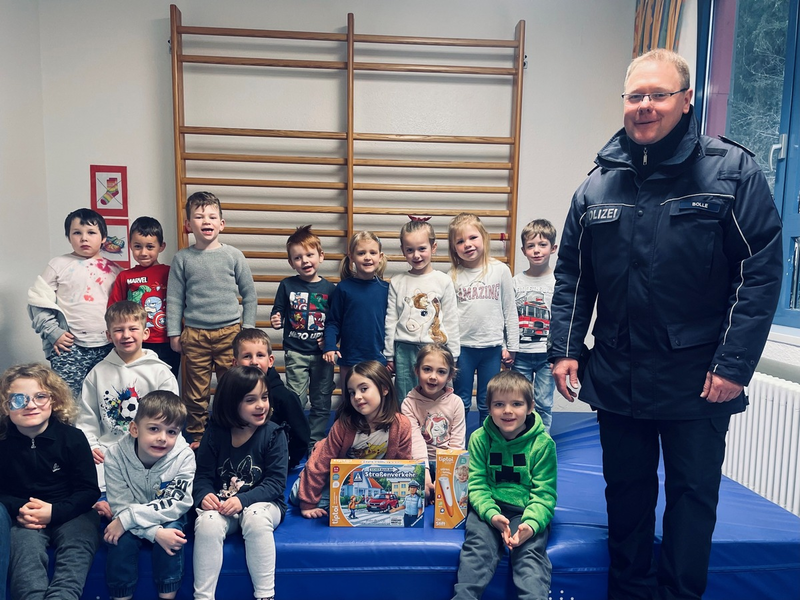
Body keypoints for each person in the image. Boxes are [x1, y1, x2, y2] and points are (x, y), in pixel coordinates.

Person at [548, 49, 783, 600]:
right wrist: (566, 349)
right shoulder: (596, 187)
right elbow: (573, 277)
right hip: (618, 373)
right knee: (625, 497)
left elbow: (761, 272)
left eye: (658, 94)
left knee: (691, 499)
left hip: (699, 377)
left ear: (686, 100)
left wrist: (734, 365)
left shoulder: (732, 172)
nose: (645, 106)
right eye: (635, 96)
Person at [451, 370, 556, 600]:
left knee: (529, 556)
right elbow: (476, 484)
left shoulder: (543, 444)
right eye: (499, 404)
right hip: (488, 508)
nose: (507, 411)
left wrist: (531, 523)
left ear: (530, 407)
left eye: (516, 404)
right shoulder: (479, 438)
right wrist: (491, 514)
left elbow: (545, 494)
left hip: (525, 510)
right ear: (488, 407)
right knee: (477, 549)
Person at [0, 363, 101, 600]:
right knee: (25, 554)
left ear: (54, 400)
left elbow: (88, 491)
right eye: (18, 399)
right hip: (25, 517)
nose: (31, 405)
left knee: (76, 550)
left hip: (73, 512)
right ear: (6, 406)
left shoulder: (73, 438)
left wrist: (54, 512)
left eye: (40, 397)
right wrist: (20, 508)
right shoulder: (3, 442)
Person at [166, 191, 257, 447]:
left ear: (221, 224)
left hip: (231, 333)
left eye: (212, 216)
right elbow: (174, 298)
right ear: (188, 224)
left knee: (234, 389)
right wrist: (174, 332)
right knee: (195, 394)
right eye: (198, 216)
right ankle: (197, 438)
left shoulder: (233, 255)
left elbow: (250, 294)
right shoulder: (182, 258)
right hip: (194, 335)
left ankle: (234, 433)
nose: (206, 220)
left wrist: (246, 331)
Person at [192, 366, 288, 600]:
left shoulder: (274, 434)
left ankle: (265, 595)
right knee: (207, 523)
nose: (260, 405)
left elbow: (276, 483)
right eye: (250, 400)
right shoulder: (215, 432)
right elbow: (202, 475)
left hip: (264, 505)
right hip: (225, 507)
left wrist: (242, 500)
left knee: (255, 518)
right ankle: (203, 596)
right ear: (231, 403)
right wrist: (204, 494)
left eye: (264, 398)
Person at [77, 301, 179, 515]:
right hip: (109, 451)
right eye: (118, 330)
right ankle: (106, 503)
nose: (126, 335)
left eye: (133, 328)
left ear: (146, 332)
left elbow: (172, 419)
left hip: (150, 450)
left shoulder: (161, 373)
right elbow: (87, 416)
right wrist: (90, 445)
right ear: (108, 335)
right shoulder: (98, 372)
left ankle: (139, 506)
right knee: (84, 471)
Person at [103, 390, 196, 600]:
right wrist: (154, 533)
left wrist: (130, 519)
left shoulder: (184, 456)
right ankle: (120, 596)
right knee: (119, 540)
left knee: (172, 537)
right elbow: (120, 504)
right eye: (154, 429)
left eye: (172, 432)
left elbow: (177, 502)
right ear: (135, 428)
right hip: (129, 513)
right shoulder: (115, 455)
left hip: (168, 515)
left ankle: (167, 596)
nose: (162, 438)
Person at [291, 361, 414, 518]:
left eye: (363, 389)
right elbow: (321, 465)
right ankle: (303, 480)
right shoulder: (343, 425)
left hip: (369, 479)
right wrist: (307, 504)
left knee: (340, 503)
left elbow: (404, 463)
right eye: (351, 392)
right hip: (338, 475)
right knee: (298, 498)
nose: (357, 397)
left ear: (384, 389)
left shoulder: (401, 424)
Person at [27, 208, 121, 398]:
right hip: (69, 347)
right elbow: (37, 302)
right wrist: (54, 332)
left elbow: (124, 310)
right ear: (69, 237)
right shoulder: (58, 264)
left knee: (107, 397)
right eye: (77, 233)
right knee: (66, 400)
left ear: (104, 238)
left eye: (91, 233)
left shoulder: (116, 270)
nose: (84, 238)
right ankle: (69, 429)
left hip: (107, 346)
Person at [448, 213, 519, 423]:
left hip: (492, 348)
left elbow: (509, 310)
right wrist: (450, 351)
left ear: (484, 238)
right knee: (460, 400)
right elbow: (449, 319)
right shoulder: (452, 276)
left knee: (489, 400)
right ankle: (457, 445)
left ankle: (488, 445)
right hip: (463, 349)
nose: (467, 244)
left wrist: (511, 346)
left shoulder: (500, 270)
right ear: (454, 248)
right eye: (460, 241)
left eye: (472, 238)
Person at [270, 225, 336, 450]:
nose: (305, 261)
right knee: (296, 399)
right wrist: (275, 319)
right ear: (291, 262)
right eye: (298, 257)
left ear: (321, 256)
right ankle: (296, 438)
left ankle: (315, 441)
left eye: (309, 255)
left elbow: (335, 322)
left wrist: (331, 343)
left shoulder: (330, 288)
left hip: (322, 355)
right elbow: (277, 310)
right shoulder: (287, 285)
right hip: (295, 352)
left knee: (321, 399)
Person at [384, 218, 460, 400]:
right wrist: (389, 354)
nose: (416, 255)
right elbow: (391, 319)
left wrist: (454, 354)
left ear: (433, 248)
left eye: (422, 249)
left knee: (436, 396)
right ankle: (407, 429)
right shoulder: (397, 281)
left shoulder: (443, 281)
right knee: (405, 396)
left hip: (435, 348)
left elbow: (451, 319)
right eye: (410, 250)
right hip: (404, 348)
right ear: (403, 250)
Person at [107, 216, 180, 377]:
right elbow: (114, 310)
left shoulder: (171, 272)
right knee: (135, 382)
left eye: (150, 247)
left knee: (164, 383)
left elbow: (182, 302)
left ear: (161, 247)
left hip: (166, 342)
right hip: (135, 341)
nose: (143, 252)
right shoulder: (125, 276)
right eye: (138, 246)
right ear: (130, 247)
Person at [232, 327, 311, 469]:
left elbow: (301, 436)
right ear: (235, 362)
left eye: (260, 355)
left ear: (270, 360)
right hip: (239, 463)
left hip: (273, 464)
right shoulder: (230, 395)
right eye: (247, 356)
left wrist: (287, 462)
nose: (254, 362)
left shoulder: (285, 397)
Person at [322, 232, 390, 385]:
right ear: (351, 257)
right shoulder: (343, 288)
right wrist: (330, 345)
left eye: (372, 252)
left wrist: (391, 357)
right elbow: (333, 322)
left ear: (380, 256)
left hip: (378, 357)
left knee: (377, 402)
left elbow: (392, 325)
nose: (367, 257)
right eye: (361, 253)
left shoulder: (387, 289)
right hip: (350, 357)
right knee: (350, 401)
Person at [401, 343, 465, 500]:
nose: (433, 376)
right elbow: (415, 441)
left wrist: (446, 474)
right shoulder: (409, 403)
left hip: (447, 462)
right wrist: (424, 473)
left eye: (441, 372)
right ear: (417, 370)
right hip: (419, 461)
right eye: (427, 369)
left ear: (450, 376)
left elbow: (457, 444)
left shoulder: (456, 403)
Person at [511, 219, 558, 433]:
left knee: (544, 402)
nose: (537, 251)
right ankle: (521, 436)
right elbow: (508, 317)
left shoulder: (558, 282)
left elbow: (561, 318)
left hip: (546, 355)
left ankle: (542, 439)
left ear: (553, 248)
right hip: (520, 353)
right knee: (518, 400)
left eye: (542, 245)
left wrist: (559, 353)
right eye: (531, 246)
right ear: (523, 250)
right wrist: (508, 346)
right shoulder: (515, 282)